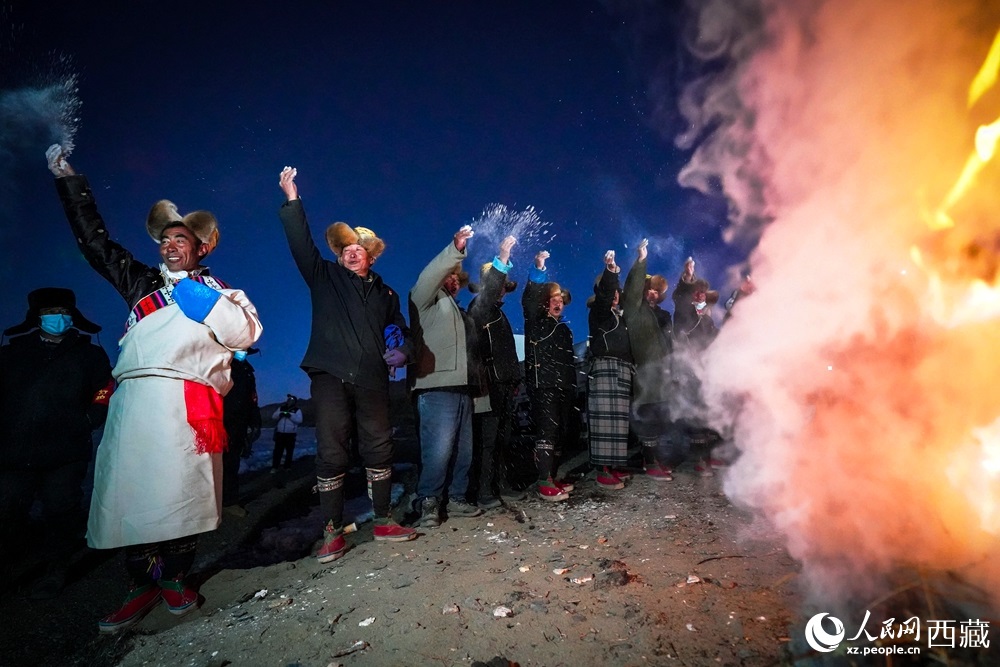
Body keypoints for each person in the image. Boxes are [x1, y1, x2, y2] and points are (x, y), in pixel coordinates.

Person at [46, 144, 263, 633]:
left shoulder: (226, 293)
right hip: (135, 402)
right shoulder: (140, 283)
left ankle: (174, 580)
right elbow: (95, 244)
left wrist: (195, 294)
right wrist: (70, 181)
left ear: (201, 247)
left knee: (179, 496)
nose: (169, 244)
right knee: (133, 495)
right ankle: (140, 585)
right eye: (164, 239)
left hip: (187, 403)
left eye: (181, 239)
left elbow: (245, 334)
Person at [278, 166, 416, 564]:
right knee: (333, 449)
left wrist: (403, 350)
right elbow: (301, 244)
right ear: (339, 256)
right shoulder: (324, 276)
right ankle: (332, 532)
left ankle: (386, 520)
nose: (352, 251)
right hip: (331, 374)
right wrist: (292, 199)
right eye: (345, 249)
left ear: (370, 256)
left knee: (379, 445)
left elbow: (400, 329)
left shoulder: (385, 293)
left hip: (373, 377)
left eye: (359, 248)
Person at [0, 287, 113, 599]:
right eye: (51, 312)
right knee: (8, 510)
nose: (58, 317)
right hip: (14, 450)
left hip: (66, 451)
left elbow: (104, 389)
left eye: (63, 312)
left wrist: (88, 421)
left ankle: (55, 570)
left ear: (72, 316)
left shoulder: (89, 354)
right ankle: (9, 569)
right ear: (37, 317)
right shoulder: (12, 353)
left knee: (60, 509)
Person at [408, 226, 484, 526]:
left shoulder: (457, 310)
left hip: (462, 387)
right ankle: (428, 500)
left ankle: (456, 497)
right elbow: (431, 275)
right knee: (437, 449)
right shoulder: (423, 298)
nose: (453, 282)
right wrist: (455, 249)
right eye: (449, 277)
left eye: (456, 280)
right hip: (436, 385)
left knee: (464, 449)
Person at [468, 236, 526, 508]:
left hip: (504, 385)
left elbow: (507, 353)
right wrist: (503, 255)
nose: (501, 288)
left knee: (503, 438)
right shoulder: (479, 308)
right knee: (487, 440)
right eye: (497, 283)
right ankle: (483, 492)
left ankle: (500, 485)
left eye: (503, 284)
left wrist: (515, 379)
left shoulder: (499, 314)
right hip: (487, 384)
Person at [622, 239, 683, 481]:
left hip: (660, 376)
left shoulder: (655, 315)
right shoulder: (634, 309)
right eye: (648, 288)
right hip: (645, 377)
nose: (651, 292)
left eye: (656, 290)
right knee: (647, 420)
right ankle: (650, 463)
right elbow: (633, 287)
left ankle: (655, 460)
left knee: (657, 420)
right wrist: (641, 260)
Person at [522, 250, 577, 501]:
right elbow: (531, 299)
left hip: (563, 386)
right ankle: (543, 480)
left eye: (561, 300)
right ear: (545, 303)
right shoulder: (536, 321)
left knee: (560, 433)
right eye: (553, 299)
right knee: (547, 432)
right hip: (543, 384)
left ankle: (552, 477)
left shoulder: (563, 329)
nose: (558, 303)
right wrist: (539, 268)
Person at [586, 250, 635, 490]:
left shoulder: (621, 317)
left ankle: (613, 464)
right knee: (605, 420)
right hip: (605, 367)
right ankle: (602, 470)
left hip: (622, 369)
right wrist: (610, 273)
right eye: (611, 291)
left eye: (617, 292)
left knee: (618, 422)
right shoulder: (599, 311)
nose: (615, 295)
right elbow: (604, 296)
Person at [222, 348, 262, 517]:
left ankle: (229, 501)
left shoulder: (247, 370)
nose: (243, 352)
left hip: (239, 422)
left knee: (232, 462)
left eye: (246, 350)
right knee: (213, 463)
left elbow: (252, 397)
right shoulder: (222, 364)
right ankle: (209, 502)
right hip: (221, 420)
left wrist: (255, 421)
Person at [271, 394, 303, 472]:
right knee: (278, 451)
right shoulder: (281, 408)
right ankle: (275, 467)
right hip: (280, 433)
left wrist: (290, 416)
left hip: (290, 434)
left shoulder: (297, 410)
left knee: (289, 451)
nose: (289, 400)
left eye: (291, 399)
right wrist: (280, 414)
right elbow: (273, 416)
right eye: (288, 399)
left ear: (294, 401)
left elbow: (300, 420)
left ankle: (287, 467)